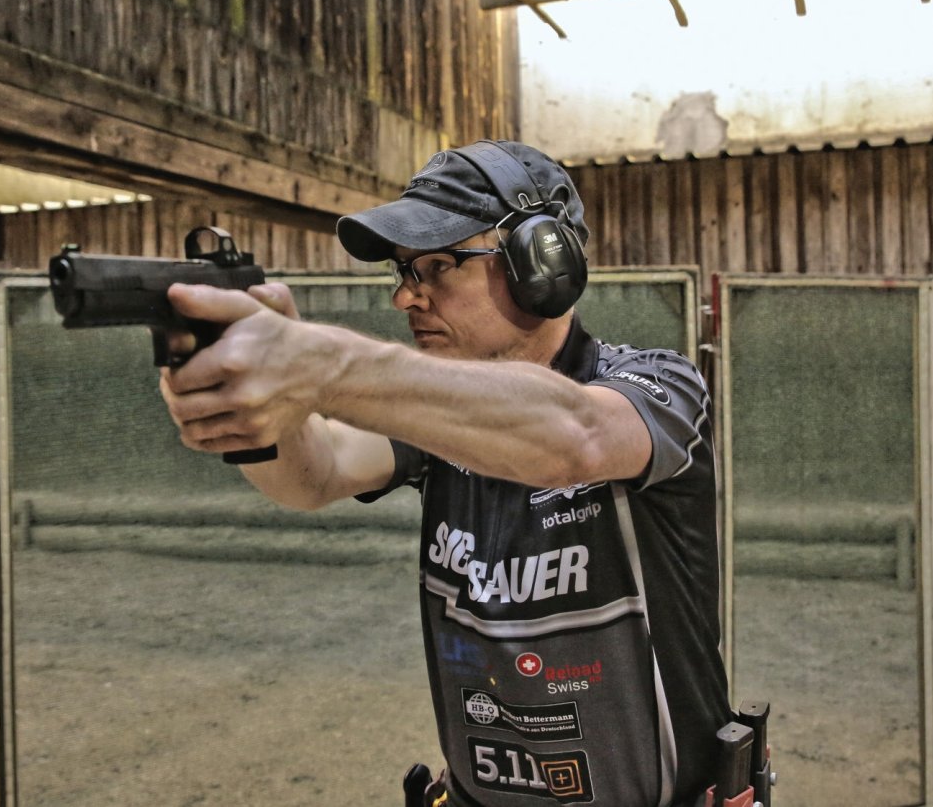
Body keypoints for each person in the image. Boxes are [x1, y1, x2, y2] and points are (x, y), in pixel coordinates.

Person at [158, 140, 731, 806]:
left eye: (437, 265)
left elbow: (576, 435)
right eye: (404, 271)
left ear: (542, 262)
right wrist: (250, 418)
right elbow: (315, 475)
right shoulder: (438, 416)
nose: (407, 296)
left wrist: (323, 366)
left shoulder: (656, 382)